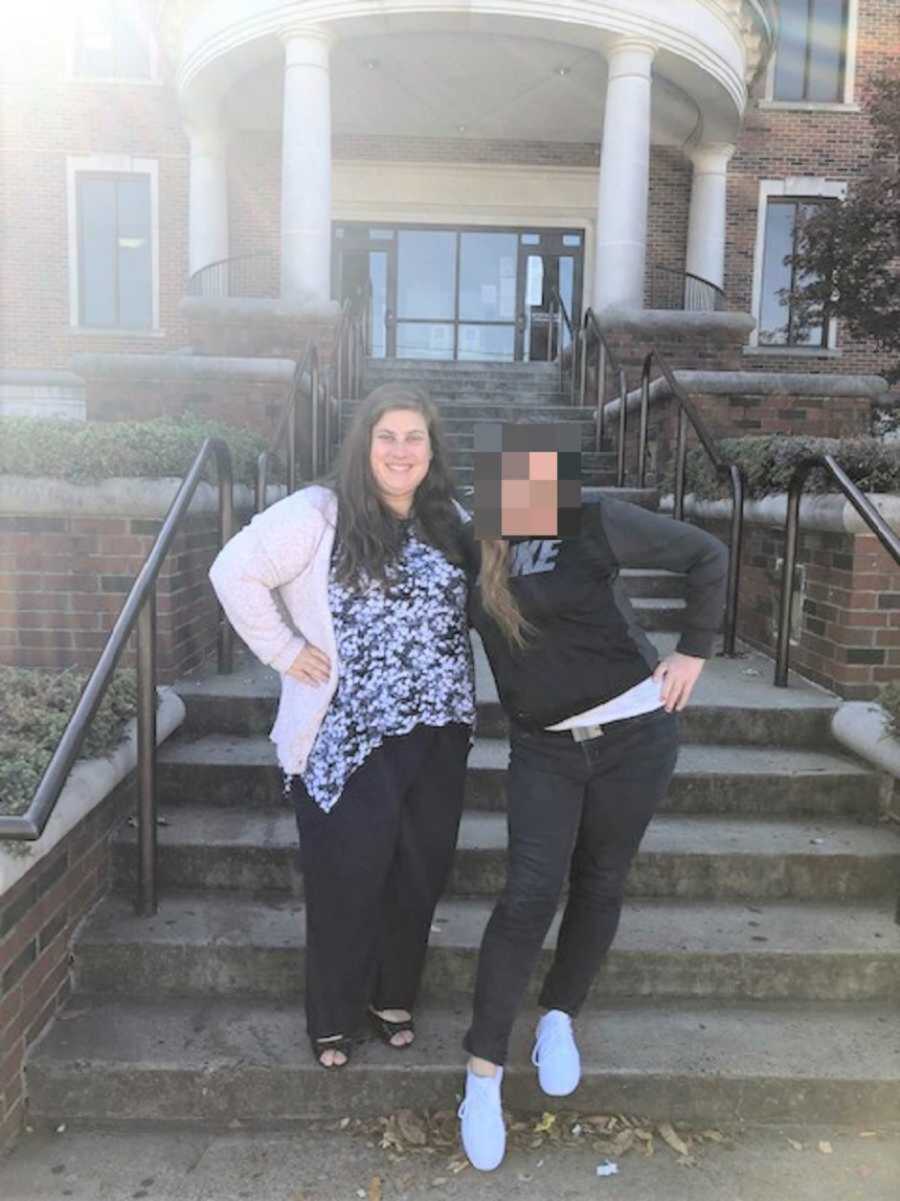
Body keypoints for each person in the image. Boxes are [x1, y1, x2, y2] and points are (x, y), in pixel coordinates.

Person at [457, 423, 728, 1170]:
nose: (521, 484)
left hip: (636, 737)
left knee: (602, 880)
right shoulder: (471, 546)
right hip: (542, 749)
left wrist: (693, 650)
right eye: (503, 473)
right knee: (527, 895)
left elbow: (708, 554)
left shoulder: (590, 516)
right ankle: (482, 1075)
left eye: (535, 469)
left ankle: (559, 1015)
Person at [209, 384, 475, 1069]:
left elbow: (514, 582)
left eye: (415, 437)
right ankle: (332, 1014)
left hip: (439, 733)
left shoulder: (451, 520)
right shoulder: (317, 512)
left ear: (432, 450)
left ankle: (392, 996)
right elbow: (232, 569)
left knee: (418, 873)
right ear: (363, 444)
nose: (400, 450)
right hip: (346, 737)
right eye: (387, 436)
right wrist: (286, 651)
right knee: (347, 875)